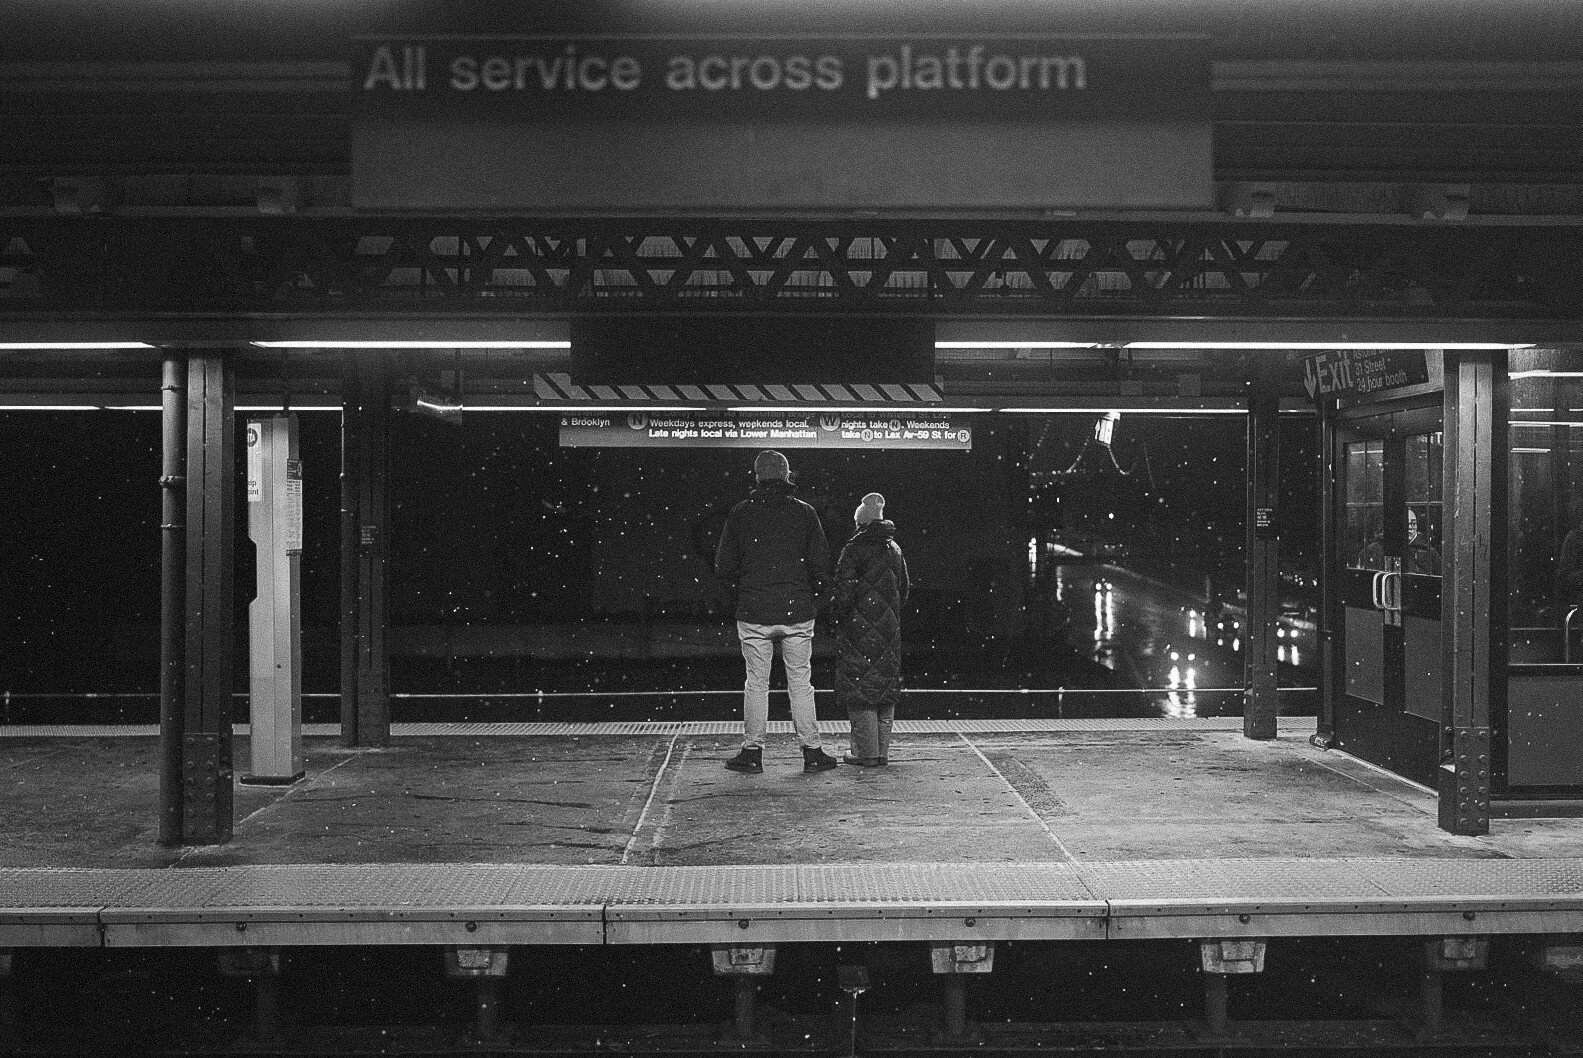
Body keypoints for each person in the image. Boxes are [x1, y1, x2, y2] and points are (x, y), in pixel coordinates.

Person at [714, 450, 840, 774]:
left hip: (754, 611)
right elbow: (822, 566)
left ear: (757, 477)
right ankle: (812, 752)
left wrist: (743, 590)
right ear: (788, 477)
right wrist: (811, 597)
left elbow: (724, 566)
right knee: (801, 682)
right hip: (797, 611)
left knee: (756, 682)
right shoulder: (805, 513)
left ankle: (752, 753)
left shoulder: (741, 513)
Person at [831, 493, 910, 767]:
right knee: (884, 686)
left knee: (861, 687)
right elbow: (904, 590)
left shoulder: (853, 549)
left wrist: (837, 616)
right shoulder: (895, 549)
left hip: (857, 631)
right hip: (889, 630)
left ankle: (865, 753)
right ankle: (882, 752)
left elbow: (844, 593)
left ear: (860, 522)